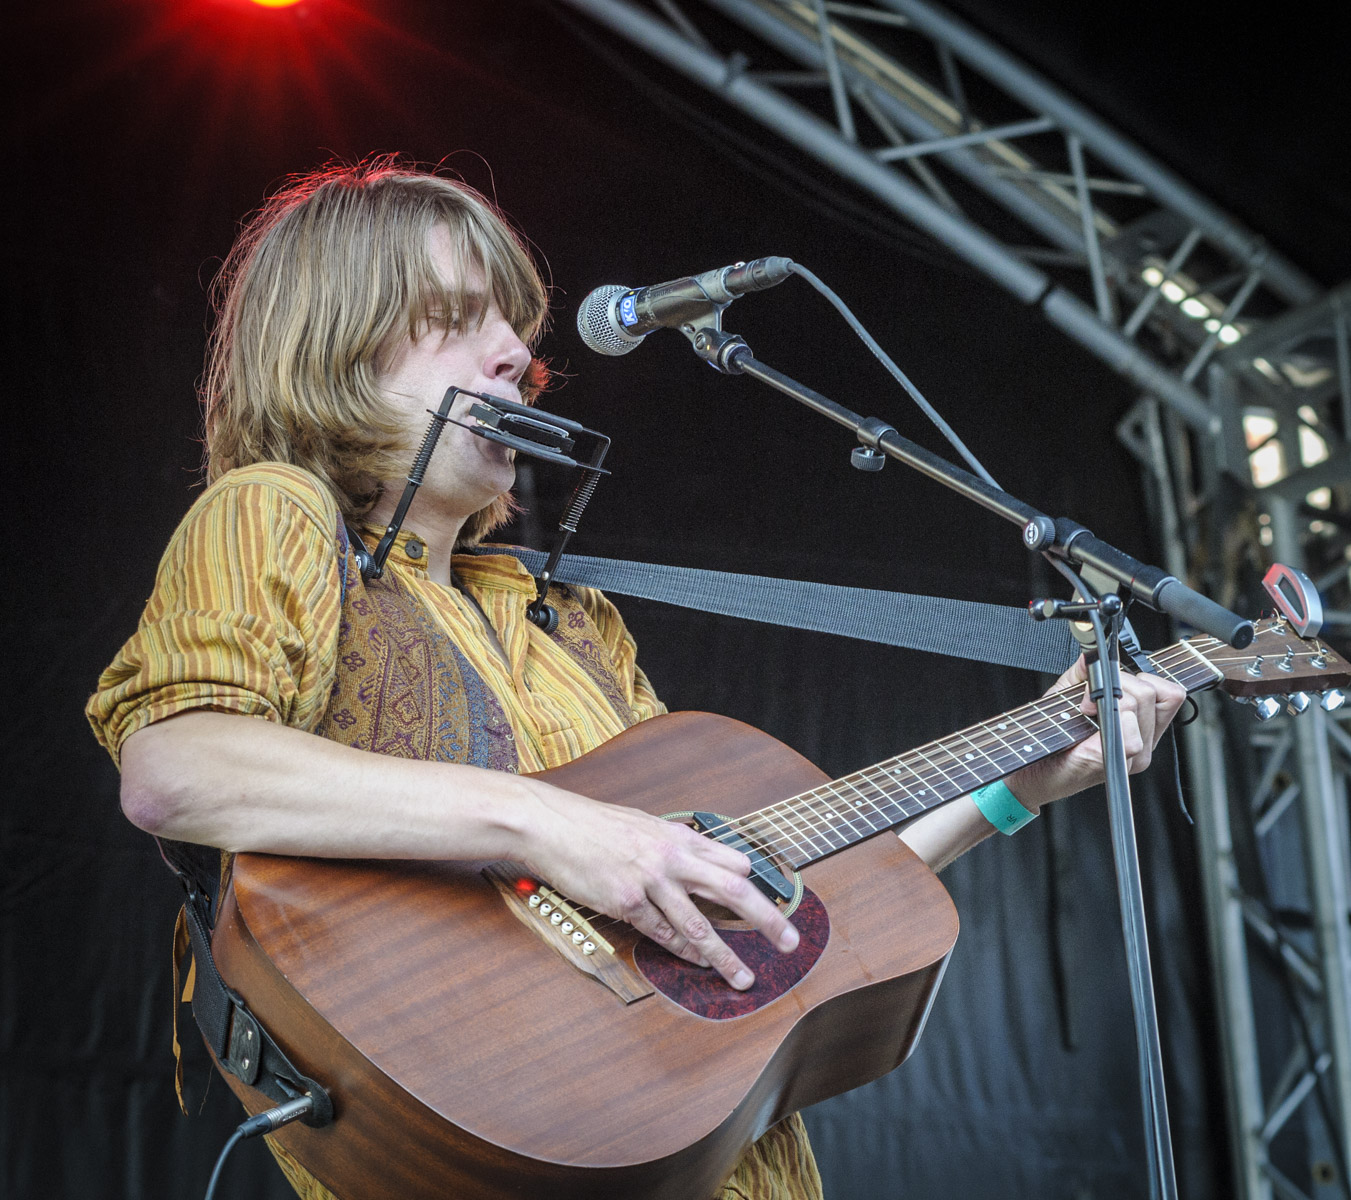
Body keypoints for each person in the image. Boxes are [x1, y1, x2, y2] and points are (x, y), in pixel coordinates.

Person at [86, 159, 1186, 1200]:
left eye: (514, 322)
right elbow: (177, 764)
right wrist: (545, 825)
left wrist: (1027, 776)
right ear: (336, 341)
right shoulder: (278, 512)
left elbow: (758, 890)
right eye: (457, 318)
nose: (516, 350)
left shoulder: (573, 620)